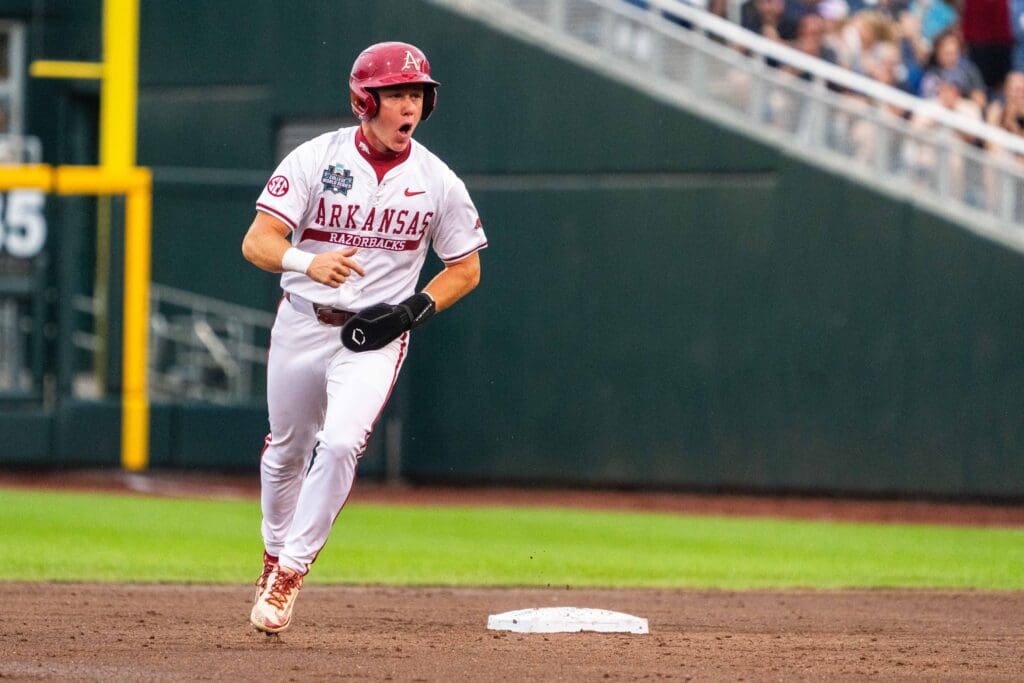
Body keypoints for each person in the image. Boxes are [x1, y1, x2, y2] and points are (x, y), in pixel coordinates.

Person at [241, 41, 487, 634]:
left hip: (375, 335)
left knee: (344, 441)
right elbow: (257, 242)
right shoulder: (313, 159)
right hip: (304, 317)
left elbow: (466, 268)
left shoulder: (436, 180)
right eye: (397, 94)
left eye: (417, 95)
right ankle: (275, 553)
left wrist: (408, 313)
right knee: (287, 452)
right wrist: (305, 263)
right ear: (365, 99)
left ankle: (290, 572)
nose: (409, 106)